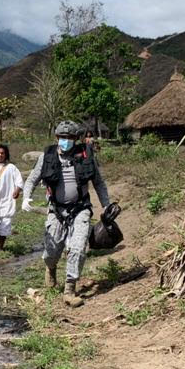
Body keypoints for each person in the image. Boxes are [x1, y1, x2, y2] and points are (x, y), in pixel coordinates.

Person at [22, 120, 113, 307]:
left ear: (76, 139)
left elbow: (99, 182)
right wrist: (26, 197)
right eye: (62, 137)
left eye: (70, 138)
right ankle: (51, 268)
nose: (66, 141)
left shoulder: (86, 155)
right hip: (56, 210)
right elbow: (32, 179)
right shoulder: (47, 156)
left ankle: (70, 289)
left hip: (80, 209)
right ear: (57, 138)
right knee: (51, 250)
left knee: (78, 248)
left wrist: (106, 204)